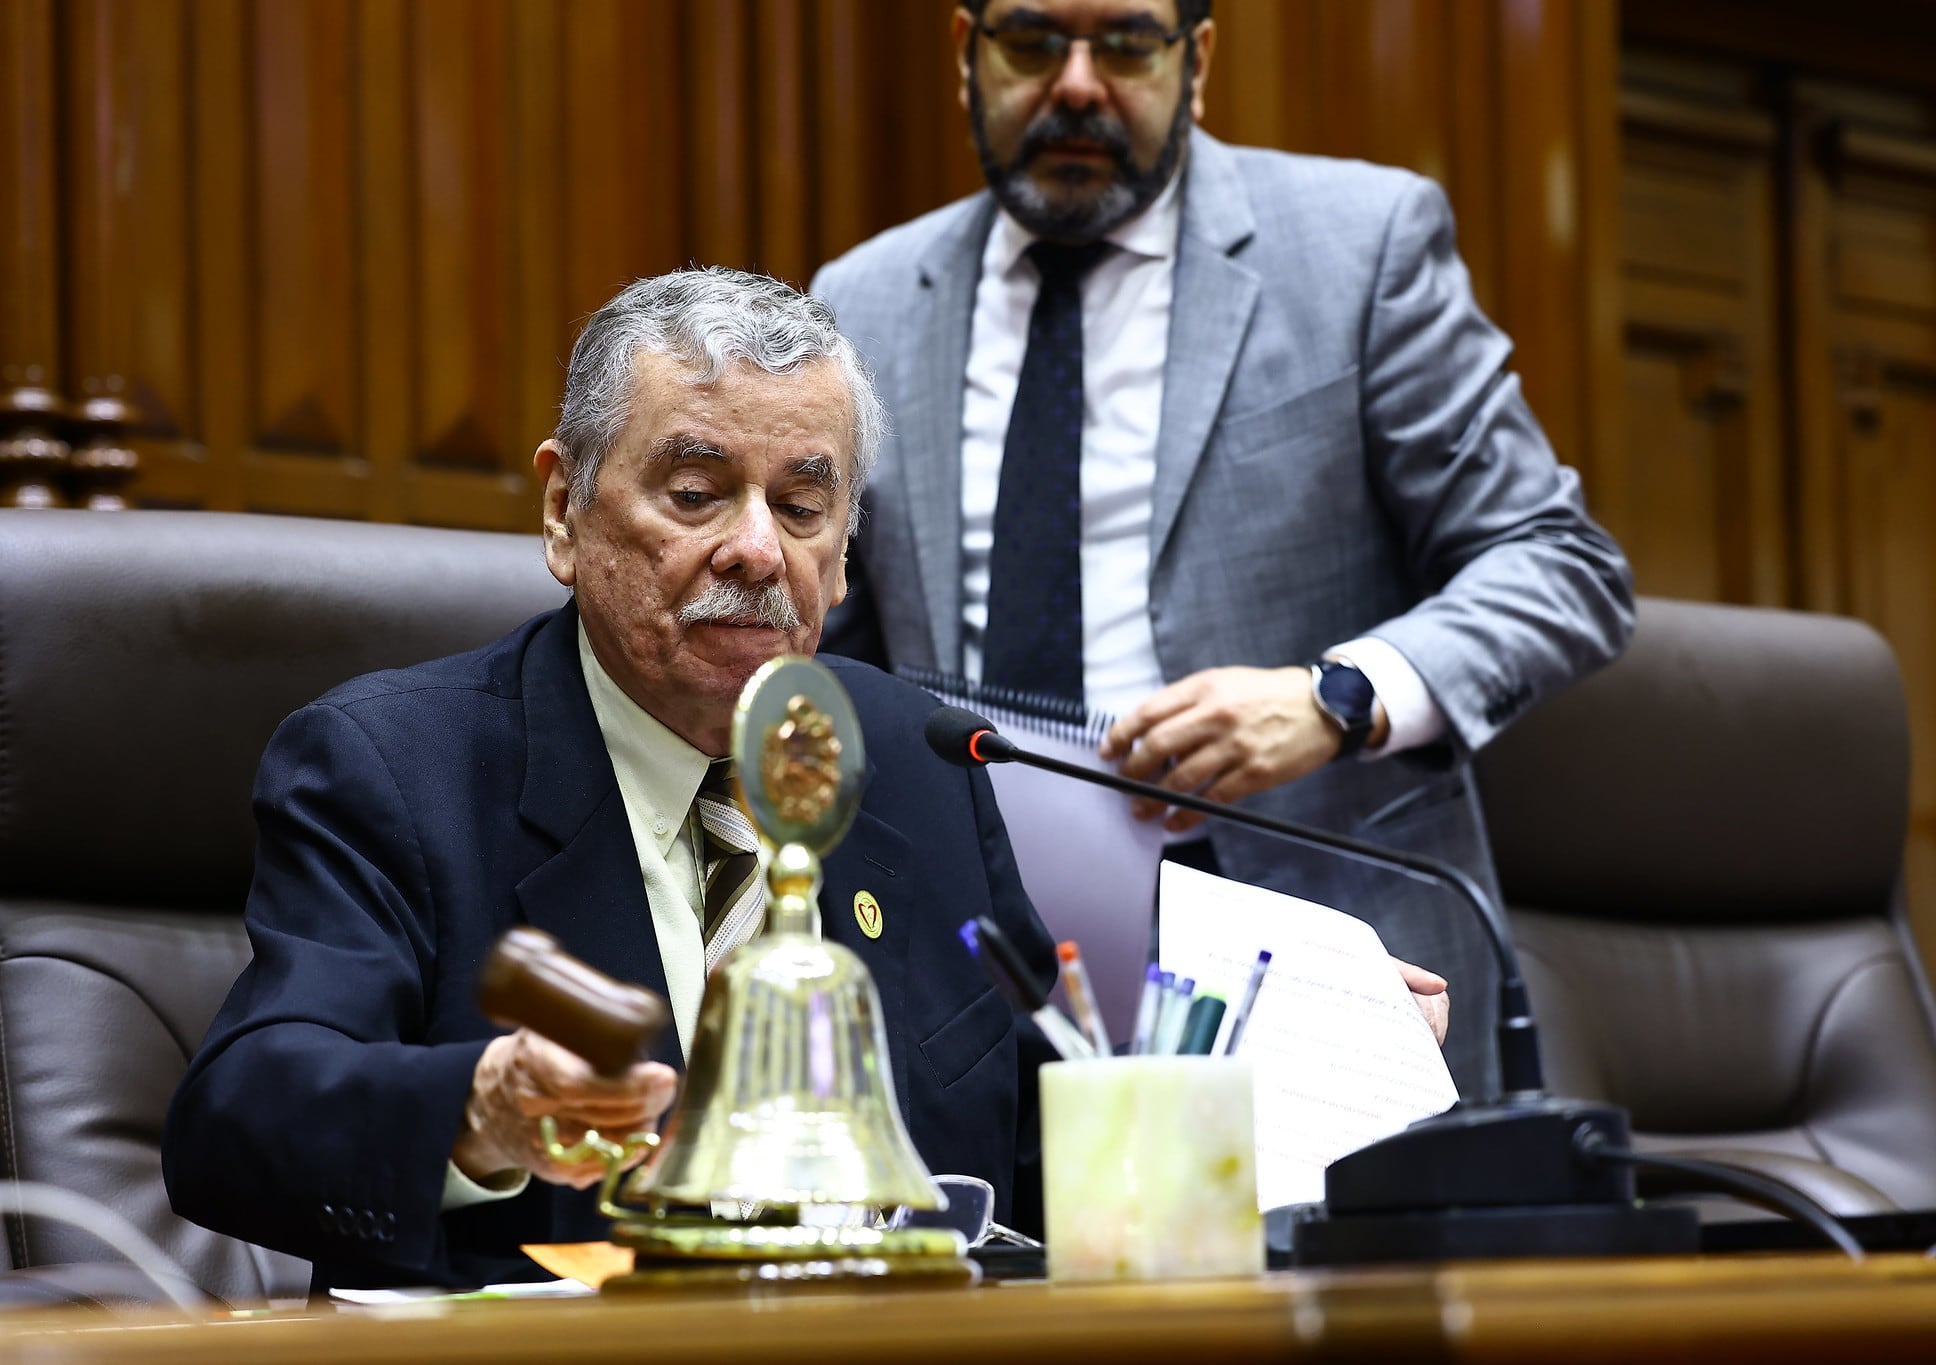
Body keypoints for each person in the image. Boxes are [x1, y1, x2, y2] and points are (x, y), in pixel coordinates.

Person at [162, 268, 1057, 1291]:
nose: (759, 551)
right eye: (696, 495)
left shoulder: (913, 758)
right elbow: (236, 1118)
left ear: (845, 554)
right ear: (562, 511)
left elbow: (1054, 1137)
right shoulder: (392, 771)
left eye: (803, 506)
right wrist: (479, 1112)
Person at [810, 0, 1635, 1098]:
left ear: (1195, 60)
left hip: (1308, 951)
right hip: (974, 961)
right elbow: (833, 656)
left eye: (1126, 44)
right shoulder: (857, 302)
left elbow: (1555, 563)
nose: (1074, 85)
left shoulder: (1360, 245)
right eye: (1029, 42)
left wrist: (1333, 696)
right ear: (964, 50)